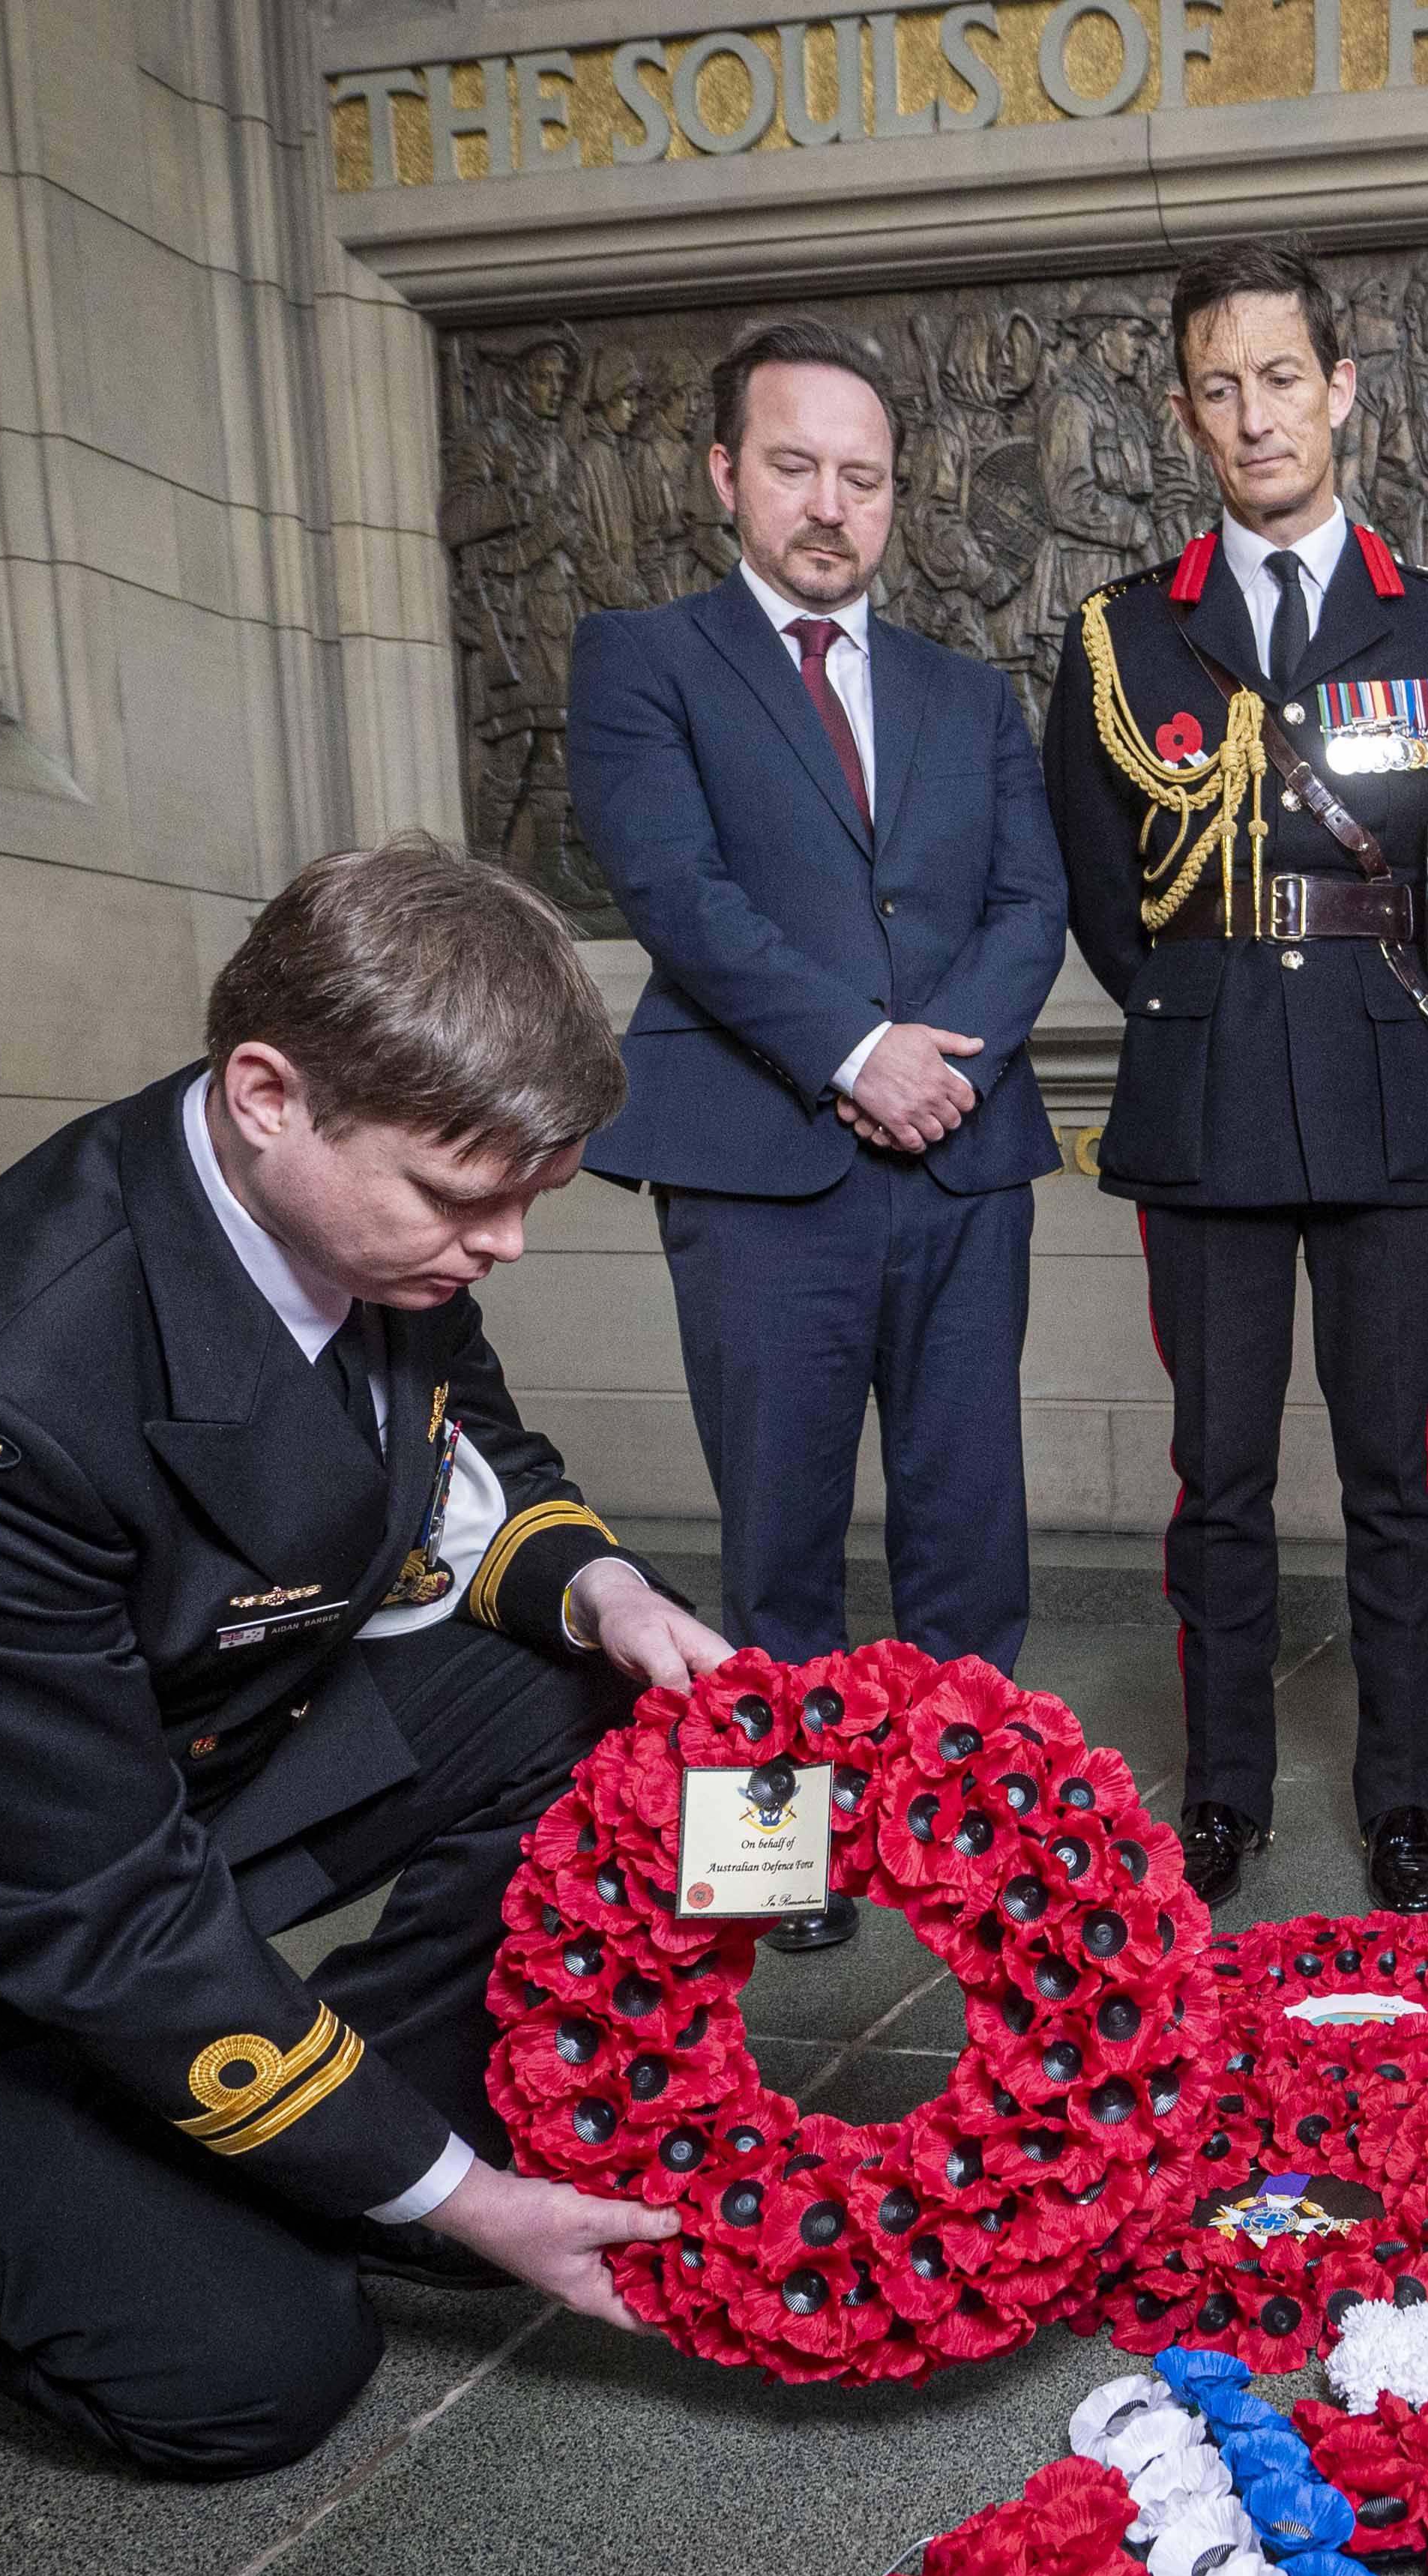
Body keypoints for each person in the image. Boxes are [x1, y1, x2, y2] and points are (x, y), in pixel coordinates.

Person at [0, 839, 727, 2477]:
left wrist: (603, 1593)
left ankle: (346, 2125)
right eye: (466, 1198)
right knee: (256, 2372)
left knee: (581, 1691)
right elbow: (82, 1895)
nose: (505, 1243)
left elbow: (461, 1437)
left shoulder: (366, 1207)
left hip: (151, 1758)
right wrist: (459, 2197)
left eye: (534, 1193)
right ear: (268, 1093)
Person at [1043, 238, 1428, 1917]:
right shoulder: (1126, 638)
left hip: (1387, 1090)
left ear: (1340, 389)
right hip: (1203, 1105)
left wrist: (1418, 1044)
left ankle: (1406, 1802)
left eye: (1281, 376)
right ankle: (1227, 1796)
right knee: (1223, 1483)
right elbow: (1111, 907)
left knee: (1395, 1483)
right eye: (1218, 386)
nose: (1254, 414)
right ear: (1185, 414)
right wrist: (1210, 1018)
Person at [571, 319, 1070, 1955]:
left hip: (960, 1158)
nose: (830, 506)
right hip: (757, 1158)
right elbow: (679, 896)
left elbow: (1028, 903)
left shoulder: (967, 692)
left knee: (966, 1527)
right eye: (795, 467)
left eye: (863, 477)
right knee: (776, 1533)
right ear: (726, 474)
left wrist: (947, 1074)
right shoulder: (643, 659)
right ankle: (781, 1868)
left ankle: (968, 1835)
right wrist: (857, 1050)